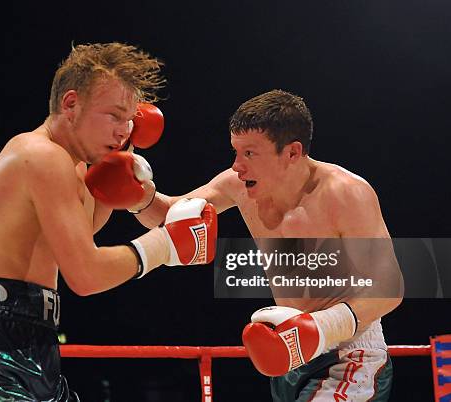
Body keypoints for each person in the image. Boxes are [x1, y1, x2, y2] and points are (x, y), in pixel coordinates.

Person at [0, 42, 217, 402]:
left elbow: (84, 234)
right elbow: (85, 274)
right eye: (114, 116)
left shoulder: (77, 168)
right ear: (70, 104)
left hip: (31, 334)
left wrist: (125, 161)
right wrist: (166, 246)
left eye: (129, 119)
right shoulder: (41, 155)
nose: (123, 129)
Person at [133, 89, 403, 401]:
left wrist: (321, 327)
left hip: (349, 353)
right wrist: (136, 196)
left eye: (250, 153)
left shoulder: (345, 194)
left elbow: (389, 288)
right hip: (287, 354)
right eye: (236, 152)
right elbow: (172, 215)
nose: (237, 165)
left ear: (292, 152)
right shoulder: (239, 187)